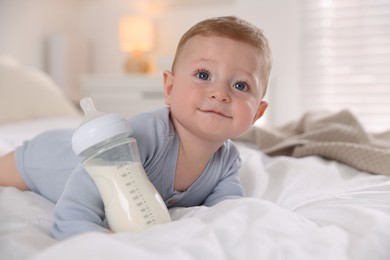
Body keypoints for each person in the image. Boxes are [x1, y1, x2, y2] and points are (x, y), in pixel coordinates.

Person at [0, 16, 272, 239]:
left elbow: (227, 215)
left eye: (240, 85)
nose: (219, 93)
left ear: (257, 113)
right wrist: (103, 240)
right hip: (49, 159)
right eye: (203, 75)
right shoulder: (143, 135)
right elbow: (72, 214)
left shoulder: (228, 162)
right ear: (169, 87)